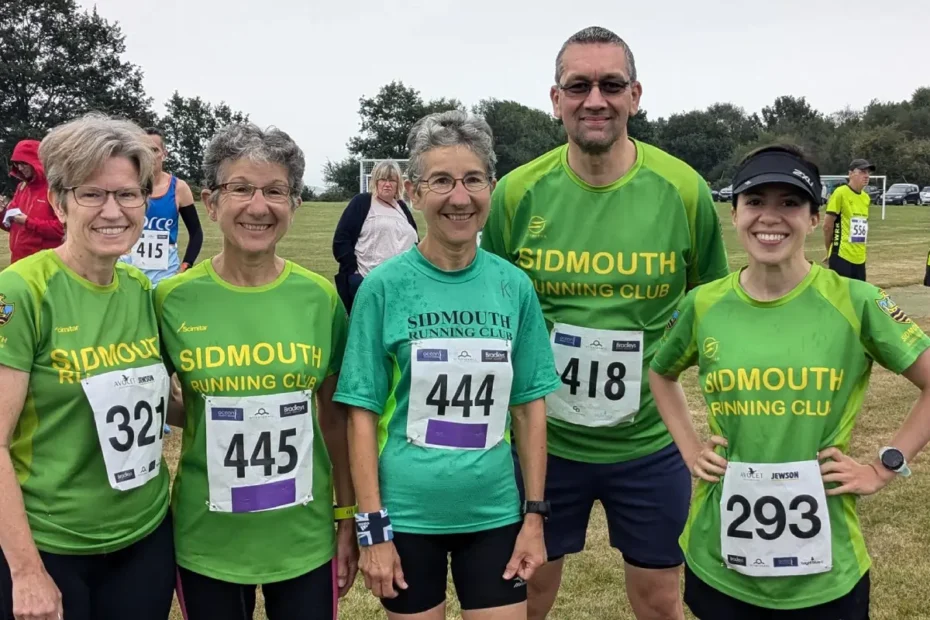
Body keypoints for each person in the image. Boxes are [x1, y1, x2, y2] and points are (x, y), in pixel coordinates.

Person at [480, 26, 729, 619]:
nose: (596, 99)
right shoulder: (516, 194)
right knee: (527, 595)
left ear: (635, 95)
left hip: (648, 444)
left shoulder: (684, 191)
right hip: (545, 446)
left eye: (611, 85)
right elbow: (493, 316)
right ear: (556, 97)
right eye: (579, 85)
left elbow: (713, 313)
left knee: (660, 601)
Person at [649, 144, 930, 619]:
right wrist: (690, 449)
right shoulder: (702, 304)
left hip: (826, 571)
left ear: (814, 215)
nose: (769, 217)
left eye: (789, 203)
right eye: (755, 202)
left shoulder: (857, 301)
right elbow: (661, 372)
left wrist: (884, 466)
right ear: (734, 213)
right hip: (720, 557)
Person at [334, 110, 559, 619]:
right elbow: (361, 415)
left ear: (491, 187)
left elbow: (528, 408)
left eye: (473, 180)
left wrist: (534, 517)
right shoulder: (383, 288)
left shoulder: (513, 286)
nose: (460, 197)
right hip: (408, 516)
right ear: (414, 192)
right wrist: (373, 530)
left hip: (496, 512)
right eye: (441, 181)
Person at [154, 123, 358, 619]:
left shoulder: (320, 298)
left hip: (303, 538)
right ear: (210, 201)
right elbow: (156, 403)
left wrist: (347, 517)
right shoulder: (169, 300)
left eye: (275, 190)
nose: (258, 206)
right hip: (208, 539)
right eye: (240, 188)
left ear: (296, 203)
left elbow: (334, 418)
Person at [0, 114, 175, 620]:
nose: (113, 211)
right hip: (52, 545)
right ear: (59, 201)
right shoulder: (21, 291)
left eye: (127, 194)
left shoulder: (141, 289)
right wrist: (26, 571)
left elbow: (151, 399)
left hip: (143, 536)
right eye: (92, 194)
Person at [332, 160, 418, 312]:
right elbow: (341, 240)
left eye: (392, 180)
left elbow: (416, 241)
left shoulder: (402, 207)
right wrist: (355, 273)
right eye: (383, 179)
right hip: (368, 281)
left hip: (401, 284)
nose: (387, 184)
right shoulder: (362, 202)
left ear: (399, 183)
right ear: (375, 181)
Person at [120, 127, 203, 285]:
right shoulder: (124, 186)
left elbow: (196, 232)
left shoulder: (179, 188)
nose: (149, 156)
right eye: (144, 150)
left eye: (154, 150)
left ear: (164, 154)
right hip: (127, 270)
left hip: (166, 274)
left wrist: (186, 266)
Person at [0, 139, 64, 263]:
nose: (20, 168)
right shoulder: (22, 187)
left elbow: (63, 229)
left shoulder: (54, 189)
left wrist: (28, 222)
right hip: (19, 261)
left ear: (35, 161)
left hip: (44, 264)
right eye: (17, 164)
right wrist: (1, 213)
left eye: (23, 163)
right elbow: (12, 226)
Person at [822, 159, 874, 282]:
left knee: (858, 297)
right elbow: (827, 225)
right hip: (841, 255)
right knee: (839, 297)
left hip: (860, 256)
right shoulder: (840, 193)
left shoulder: (865, 198)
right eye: (862, 172)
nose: (866, 176)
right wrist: (829, 250)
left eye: (868, 172)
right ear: (850, 174)